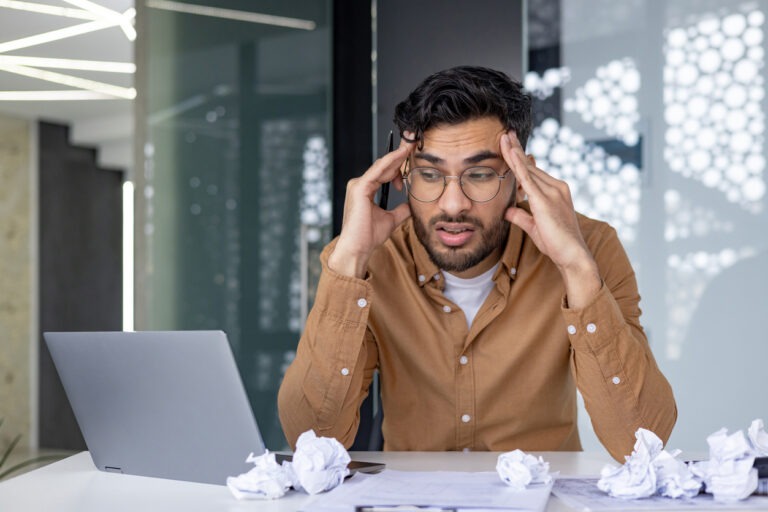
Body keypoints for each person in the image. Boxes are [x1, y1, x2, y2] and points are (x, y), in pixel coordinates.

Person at [278, 66, 676, 461]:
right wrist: (349, 260)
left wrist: (575, 268)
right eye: (429, 174)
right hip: (411, 495)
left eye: (481, 174)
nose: (453, 205)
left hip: (544, 493)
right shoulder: (365, 259)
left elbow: (642, 443)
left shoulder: (589, 249)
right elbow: (311, 439)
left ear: (522, 178)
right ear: (402, 175)